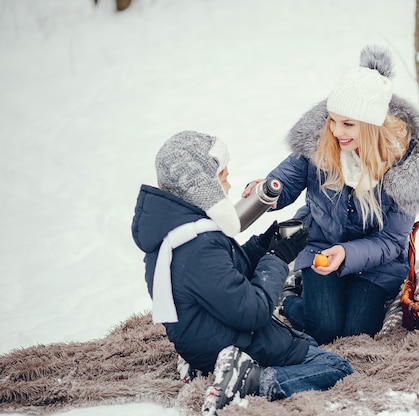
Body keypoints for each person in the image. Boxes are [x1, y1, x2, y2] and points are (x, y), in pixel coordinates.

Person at [131, 131, 353, 415]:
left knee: (305, 341)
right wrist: (278, 257)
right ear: (201, 183)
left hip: (204, 332)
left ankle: (207, 367)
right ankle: (250, 382)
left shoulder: (178, 230)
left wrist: (263, 244)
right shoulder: (198, 246)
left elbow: (226, 273)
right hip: (220, 340)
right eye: (222, 176)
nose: (229, 184)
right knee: (336, 367)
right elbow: (254, 312)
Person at [243, 45, 419, 345]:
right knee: (324, 330)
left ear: (373, 125)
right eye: (332, 120)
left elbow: (392, 241)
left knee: (356, 334)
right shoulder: (322, 143)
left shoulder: (405, 168)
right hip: (320, 246)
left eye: (347, 124)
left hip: (377, 264)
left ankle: (347, 299)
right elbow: (287, 180)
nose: (336, 131)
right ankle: (292, 297)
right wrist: (266, 191)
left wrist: (348, 254)